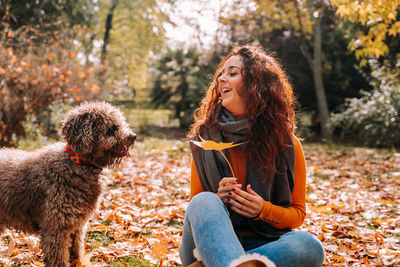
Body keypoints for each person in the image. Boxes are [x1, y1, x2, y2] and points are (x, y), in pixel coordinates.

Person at [179, 43, 324, 267]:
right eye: (221, 74)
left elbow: (297, 214)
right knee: (204, 200)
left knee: (309, 246)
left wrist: (262, 210)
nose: (220, 79)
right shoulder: (205, 139)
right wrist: (220, 199)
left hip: (264, 244)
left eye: (233, 73)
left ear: (257, 84)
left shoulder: (287, 145)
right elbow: (197, 208)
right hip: (207, 245)